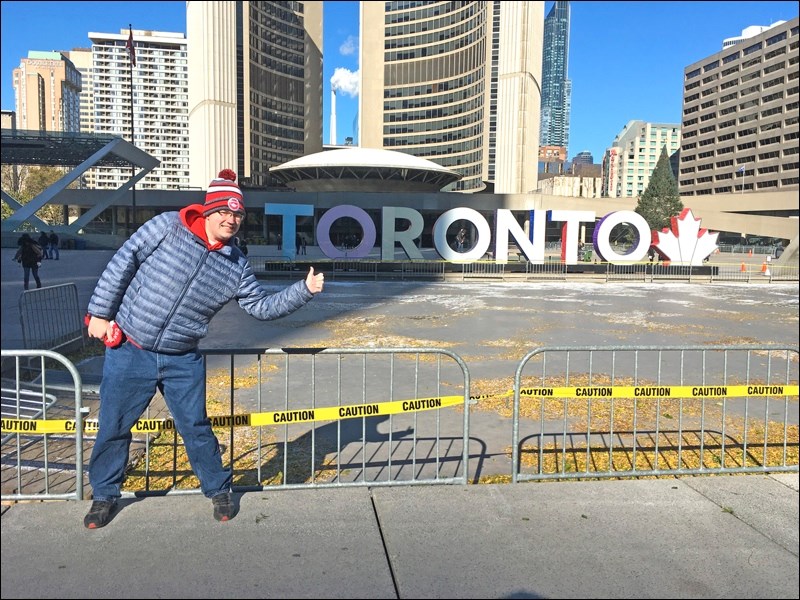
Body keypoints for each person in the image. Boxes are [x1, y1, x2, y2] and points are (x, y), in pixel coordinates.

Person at [83, 169, 324, 529]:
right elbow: (123, 262)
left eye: (238, 214)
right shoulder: (167, 227)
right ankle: (104, 496)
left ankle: (218, 489)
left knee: (195, 426)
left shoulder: (235, 264)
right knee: (114, 425)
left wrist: (302, 291)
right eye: (224, 212)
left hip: (182, 356)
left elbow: (260, 307)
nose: (231, 219)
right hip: (130, 346)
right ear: (207, 211)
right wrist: (99, 314)